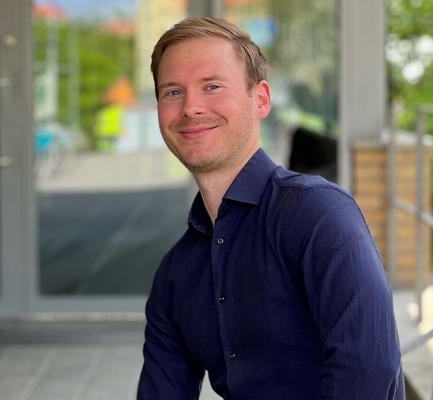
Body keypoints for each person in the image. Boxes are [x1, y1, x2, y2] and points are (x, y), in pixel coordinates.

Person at [137, 17, 404, 399]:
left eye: (212, 86)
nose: (191, 108)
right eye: (172, 92)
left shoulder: (317, 215)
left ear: (260, 99)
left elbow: (369, 374)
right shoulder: (176, 275)